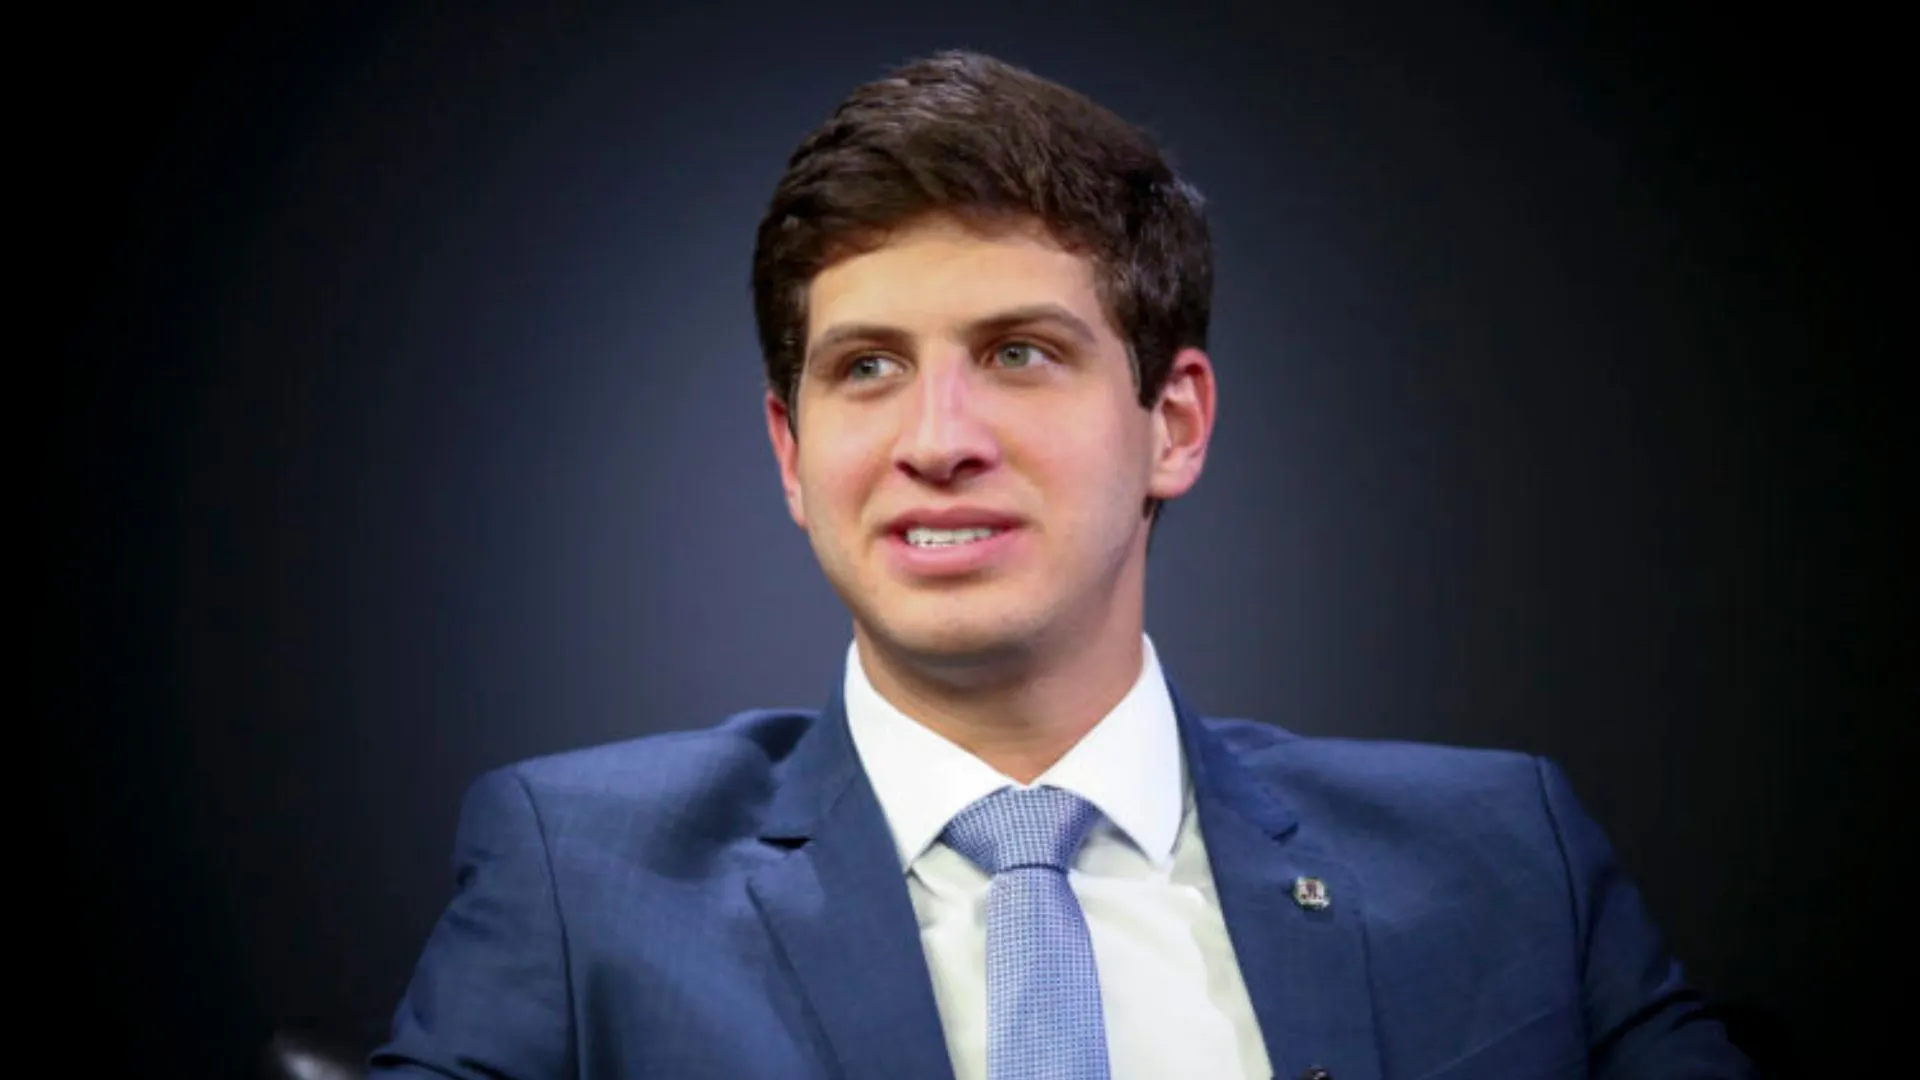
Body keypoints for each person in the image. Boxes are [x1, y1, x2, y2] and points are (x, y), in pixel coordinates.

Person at [370, 50, 1755, 1080]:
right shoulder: (580, 880)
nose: (937, 441)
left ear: (1174, 424)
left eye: (1020, 353)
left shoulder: (1507, 858)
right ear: (791, 453)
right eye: (868, 368)